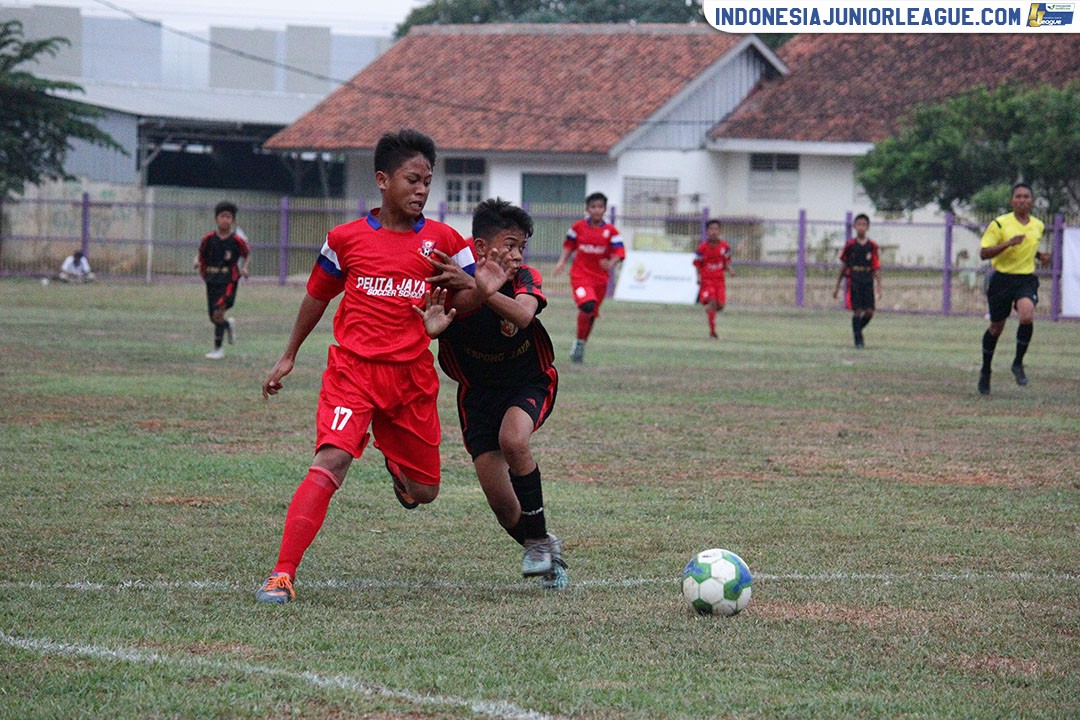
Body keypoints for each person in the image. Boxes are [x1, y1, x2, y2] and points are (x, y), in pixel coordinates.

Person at [254, 129, 500, 604]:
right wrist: (289, 355)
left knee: (425, 491)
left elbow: (467, 298)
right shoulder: (344, 239)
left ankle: (393, 459)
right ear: (383, 180)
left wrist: (477, 291)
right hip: (353, 373)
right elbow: (317, 296)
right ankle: (281, 574)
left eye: (428, 181)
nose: (423, 190)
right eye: (413, 180)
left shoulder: (446, 240)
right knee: (331, 460)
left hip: (411, 379)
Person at [428, 198, 568, 590]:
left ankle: (538, 543)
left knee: (513, 438)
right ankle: (542, 544)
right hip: (477, 394)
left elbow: (523, 316)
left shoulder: (524, 279)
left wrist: (483, 289)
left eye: (522, 247)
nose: (517, 255)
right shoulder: (448, 283)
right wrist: (433, 327)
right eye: (509, 245)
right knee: (504, 507)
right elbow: (431, 320)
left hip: (529, 381)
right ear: (479, 247)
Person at [976, 182, 1049, 395]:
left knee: (1027, 316)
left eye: (1027, 196)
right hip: (1001, 280)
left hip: (1025, 279)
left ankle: (1017, 363)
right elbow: (984, 253)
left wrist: (1040, 256)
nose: (1023, 200)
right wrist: (1007, 244)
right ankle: (986, 370)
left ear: (1032, 201)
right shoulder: (999, 224)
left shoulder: (1038, 225)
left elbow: (1028, 246)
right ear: (1012, 200)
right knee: (996, 328)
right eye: (1018, 196)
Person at [553, 192, 625, 364]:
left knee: (591, 314)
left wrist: (612, 262)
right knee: (587, 305)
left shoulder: (611, 232)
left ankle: (580, 343)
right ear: (587, 209)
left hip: (600, 279)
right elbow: (569, 245)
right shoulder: (577, 227)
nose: (597, 210)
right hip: (580, 275)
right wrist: (561, 262)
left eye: (600, 207)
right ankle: (578, 343)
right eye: (593, 207)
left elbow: (620, 252)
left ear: (605, 210)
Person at [195, 201, 250, 360]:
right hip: (212, 279)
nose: (225, 220)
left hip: (229, 280)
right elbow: (200, 253)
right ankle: (227, 325)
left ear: (232, 220)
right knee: (213, 316)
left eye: (228, 217)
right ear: (216, 219)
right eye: (222, 216)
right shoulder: (209, 239)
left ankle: (218, 349)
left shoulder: (236, 241)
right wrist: (197, 261)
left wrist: (245, 268)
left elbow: (247, 255)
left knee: (219, 311)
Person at [832, 213, 882, 348]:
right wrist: (837, 287)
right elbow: (843, 266)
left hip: (867, 279)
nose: (861, 227)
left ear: (868, 227)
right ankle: (858, 340)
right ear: (854, 226)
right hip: (855, 279)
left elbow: (876, 267)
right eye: (859, 224)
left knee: (870, 312)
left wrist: (879, 286)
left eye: (864, 225)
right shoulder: (850, 245)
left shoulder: (872, 246)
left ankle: (857, 330)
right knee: (858, 310)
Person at [693, 219, 733, 339]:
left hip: (719, 280)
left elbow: (726, 262)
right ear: (707, 231)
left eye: (716, 229)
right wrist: (698, 276)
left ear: (719, 231)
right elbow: (697, 264)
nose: (713, 232)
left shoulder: (725, 247)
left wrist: (730, 269)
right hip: (707, 280)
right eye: (711, 229)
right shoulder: (701, 248)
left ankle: (708, 307)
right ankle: (712, 332)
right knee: (712, 302)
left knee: (720, 305)